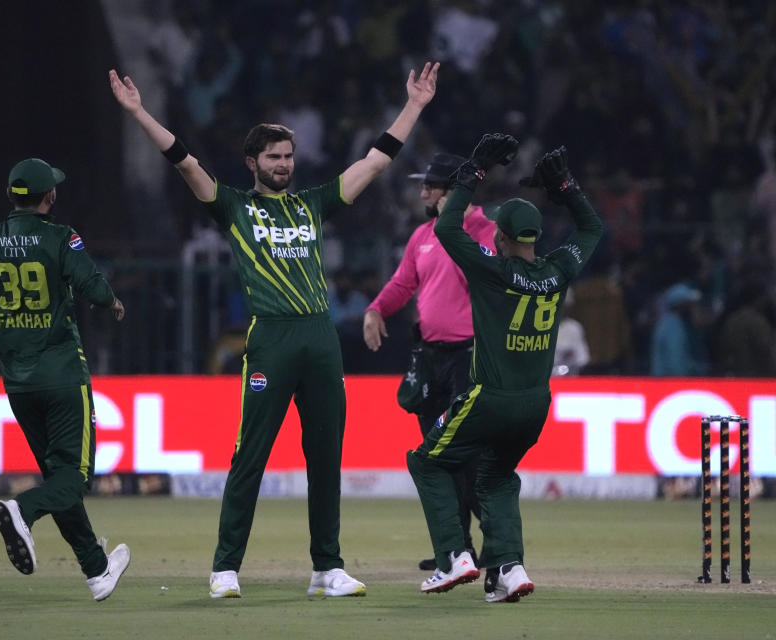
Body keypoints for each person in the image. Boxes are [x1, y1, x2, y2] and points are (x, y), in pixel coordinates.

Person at [109, 60, 440, 599]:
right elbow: (184, 161)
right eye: (274, 157)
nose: (284, 164)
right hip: (271, 340)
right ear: (252, 162)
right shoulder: (233, 208)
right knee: (251, 455)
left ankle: (327, 568)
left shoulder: (313, 204)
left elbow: (376, 162)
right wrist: (140, 112)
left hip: (320, 339)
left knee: (326, 457)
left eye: (288, 156)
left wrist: (415, 106)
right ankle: (225, 568)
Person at [407, 137, 603, 602]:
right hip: (536, 404)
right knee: (494, 477)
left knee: (426, 461)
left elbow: (448, 228)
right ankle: (510, 569)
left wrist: (474, 170)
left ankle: (454, 557)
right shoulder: (559, 271)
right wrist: (567, 187)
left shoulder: (491, 270)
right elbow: (591, 229)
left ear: (499, 237)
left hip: (489, 398)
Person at [0, 158, 130, 601]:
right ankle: (20, 510)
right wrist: (112, 301)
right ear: (51, 197)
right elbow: (93, 287)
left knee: (57, 478)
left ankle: (96, 569)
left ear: (10, 196)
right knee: (75, 479)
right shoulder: (61, 236)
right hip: (62, 375)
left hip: (18, 381)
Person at [362, 152, 494, 571]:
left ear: (454, 191)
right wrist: (377, 309)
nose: (422, 193)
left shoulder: (486, 234)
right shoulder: (424, 234)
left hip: (470, 357)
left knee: (467, 455)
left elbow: (493, 281)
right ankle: (455, 548)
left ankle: (497, 542)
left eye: (430, 187)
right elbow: (405, 282)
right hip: (431, 358)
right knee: (438, 454)